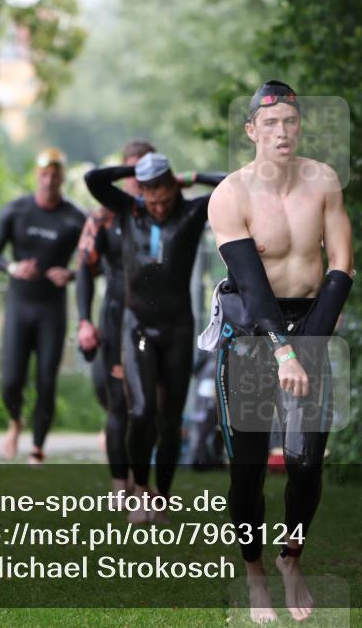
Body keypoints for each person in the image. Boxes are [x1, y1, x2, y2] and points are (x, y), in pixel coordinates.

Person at [205, 81, 354, 623]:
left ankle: (291, 557)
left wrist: (307, 348)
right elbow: (252, 285)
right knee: (247, 469)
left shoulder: (323, 182)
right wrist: (283, 353)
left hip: (309, 323)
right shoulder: (231, 194)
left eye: (289, 121)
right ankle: (255, 572)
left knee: (305, 463)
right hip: (250, 334)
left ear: (300, 126)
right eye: (270, 124)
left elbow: (341, 267)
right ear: (252, 132)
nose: (282, 131)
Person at [85, 153, 224, 523]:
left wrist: (193, 174)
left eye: (163, 195)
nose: (158, 206)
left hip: (178, 329)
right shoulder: (130, 210)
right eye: (151, 196)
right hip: (138, 328)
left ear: (174, 188)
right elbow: (94, 179)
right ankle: (140, 490)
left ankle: (161, 497)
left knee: (169, 418)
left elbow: (237, 183)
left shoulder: (192, 213)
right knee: (142, 411)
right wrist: (138, 170)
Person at [0, 147, 86, 465]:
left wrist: (70, 274)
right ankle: (15, 422)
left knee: (46, 379)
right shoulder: (16, 210)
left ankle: (38, 448)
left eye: (55, 174)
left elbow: (92, 262)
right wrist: (13, 268)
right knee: (11, 381)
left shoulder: (75, 217)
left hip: (51, 309)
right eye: (44, 173)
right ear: (36, 175)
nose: (49, 179)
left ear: (62, 178)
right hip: (20, 304)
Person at [76, 140, 154, 503]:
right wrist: (83, 321)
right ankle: (120, 488)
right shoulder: (104, 214)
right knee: (118, 405)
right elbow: (85, 271)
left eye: (145, 170)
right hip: (115, 316)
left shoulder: (160, 211)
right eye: (132, 170)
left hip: (155, 320)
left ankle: (144, 483)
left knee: (150, 407)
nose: (138, 178)